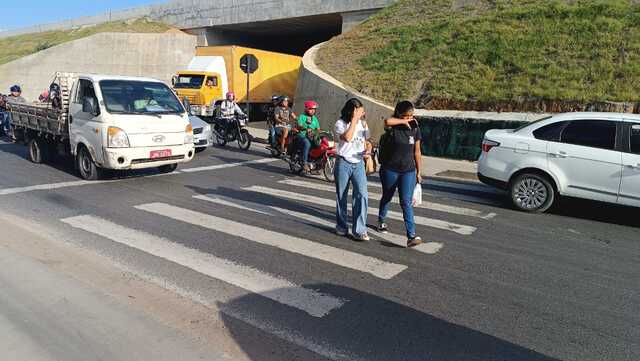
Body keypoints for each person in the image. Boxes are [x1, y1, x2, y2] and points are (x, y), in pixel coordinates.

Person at [377, 100, 423, 247]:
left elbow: (417, 151)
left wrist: (419, 171)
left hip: (408, 171)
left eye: (412, 115)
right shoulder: (393, 127)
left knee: (406, 202)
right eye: (406, 116)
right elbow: (387, 121)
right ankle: (381, 220)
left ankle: (411, 236)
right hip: (390, 169)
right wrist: (402, 122)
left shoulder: (415, 130)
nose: (410, 118)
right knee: (387, 195)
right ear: (399, 114)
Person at [334, 98, 370, 241]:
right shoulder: (340, 124)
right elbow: (347, 138)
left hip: (358, 162)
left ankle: (359, 229)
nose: (362, 112)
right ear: (352, 110)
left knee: (362, 194)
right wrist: (354, 120)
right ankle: (342, 226)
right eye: (359, 110)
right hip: (343, 162)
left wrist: (368, 148)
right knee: (341, 196)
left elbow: (368, 141)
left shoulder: (364, 124)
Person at [297, 100, 321, 172]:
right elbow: (299, 125)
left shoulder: (315, 118)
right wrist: (305, 128)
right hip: (302, 135)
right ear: (306, 109)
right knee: (307, 143)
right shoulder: (302, 116)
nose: (313, 111)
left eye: (314, 109)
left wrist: (321, 132)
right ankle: (304, 163)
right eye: (311, 109)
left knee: (320, 144)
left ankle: (315, 162)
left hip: (312, 136)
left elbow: (318, 129)